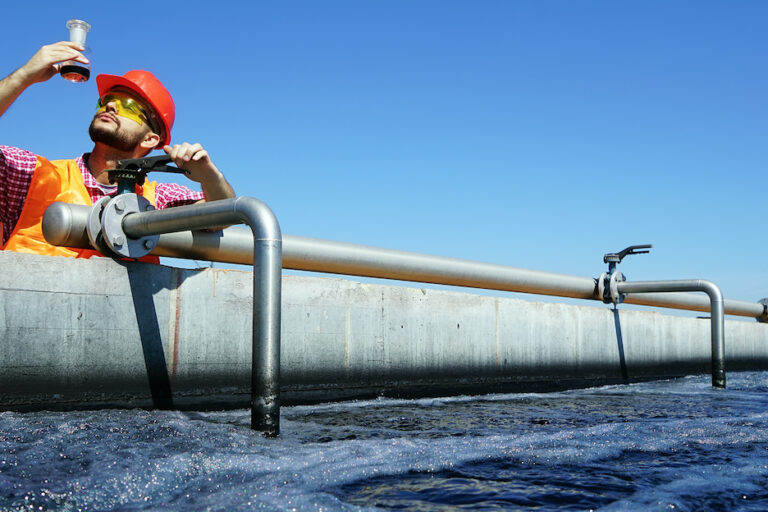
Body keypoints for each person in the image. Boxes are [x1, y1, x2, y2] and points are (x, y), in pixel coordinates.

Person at [0, 40, 235, 258]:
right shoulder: (32, 175)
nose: (110, 105)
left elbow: (221, 215)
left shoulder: (157, 201)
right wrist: (23, 76)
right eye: (106, 100)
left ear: (150, 139)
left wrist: (209, 175)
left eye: (128, 106)